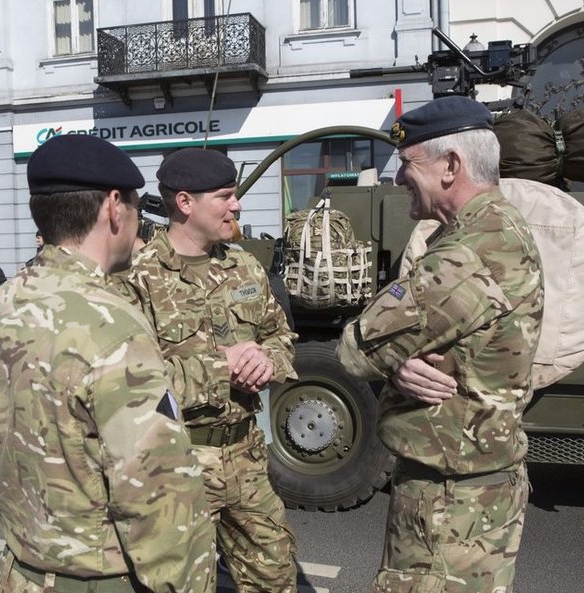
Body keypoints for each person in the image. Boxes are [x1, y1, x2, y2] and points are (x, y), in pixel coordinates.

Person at [0, 134, 216, 593]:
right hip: (105, 580)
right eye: (134, 207)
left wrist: (22, 505)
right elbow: (161, 497)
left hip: (20, 577)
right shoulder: (113, 324)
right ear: (113, 207)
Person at [336, 95, 544, 593]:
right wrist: (398, 365)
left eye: (409, 164)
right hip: (486, 488)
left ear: (451, 166)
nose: (400, 177)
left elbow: (353, 347)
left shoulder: (463, 258)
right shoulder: (506, 226)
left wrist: (387, 361)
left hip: (447, 505)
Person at [118, 148, 299, 593]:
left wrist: (267, 360)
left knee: (275, 577)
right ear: (185, 203)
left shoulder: (243, 265)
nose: (237, 205)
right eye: (225, 196)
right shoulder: (134, 278)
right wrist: (222, 367)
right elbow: (128, 383)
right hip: (176, 466)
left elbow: (281, 337)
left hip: (247, 459)